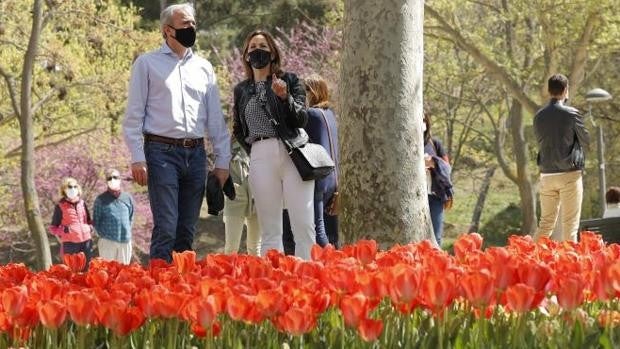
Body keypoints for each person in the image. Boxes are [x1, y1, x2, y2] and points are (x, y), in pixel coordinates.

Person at [122, 3, 231, 263]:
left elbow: (215, 119)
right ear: (167, 30)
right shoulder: (147, 64)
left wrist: (222, 161)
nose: (191, 28)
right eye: (185, 24)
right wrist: (138, 156)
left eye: (193, 23)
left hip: (195, 154)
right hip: (160, 153)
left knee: (186, 230)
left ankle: (181, 293)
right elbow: (133, 116)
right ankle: (158, 290)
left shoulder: (205, 68)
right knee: (167, 226)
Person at [231, 29, 315, 260]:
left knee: (303, 225)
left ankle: (309, 281)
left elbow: (301, 119)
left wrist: (284, 97)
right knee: (270, 230)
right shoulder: (241, 90)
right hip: (259, 156)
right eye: (253, 48)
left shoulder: (290, 80)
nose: (258, 51)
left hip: (292, 153)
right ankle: (272, 283)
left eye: (264, 47)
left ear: (273, 53)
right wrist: (256, 151)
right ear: (247, 55)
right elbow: (238, 129)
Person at [282, 74, 340, 253]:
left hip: (318, 177)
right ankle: (333, 257)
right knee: (329, 230)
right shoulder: (329, 114)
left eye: (303, 90)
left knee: (317, 228)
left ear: (312, 92)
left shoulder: (311, 115)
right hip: (332, 177)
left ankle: (331, 262)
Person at [533, 73, 589, 242]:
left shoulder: (538, 116)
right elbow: (586, 140)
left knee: (546, 224)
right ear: (565, 90)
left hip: (546, 175)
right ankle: (570, 266)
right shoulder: (572, 114)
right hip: (569, 174)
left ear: (549, 91)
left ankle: (527, 258)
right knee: (570, 226)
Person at [223, 141, 261, 255]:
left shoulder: (260, 143)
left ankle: (255, 272)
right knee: (231, 248)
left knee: (255, 247)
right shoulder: (227, 142)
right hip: (235, 195)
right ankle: (228, 272)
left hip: (258, 194)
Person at [49, 177, 94, 269]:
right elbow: (53, 228)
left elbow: (89, 221)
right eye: (69, 187)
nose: (73, 189)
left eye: (75, 186)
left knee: (87, 270)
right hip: (70, 244)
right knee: (73, 271)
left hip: (86, 242)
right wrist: (65, 230)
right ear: (64, 190)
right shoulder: (60, 206)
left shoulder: (82, 203)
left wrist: (90, 228)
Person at [423, 111, 453, 248]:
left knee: (436, 236)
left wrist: (433, 162)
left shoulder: (434, 144)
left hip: (434, 196)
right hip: (413, 196)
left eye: (424, 120)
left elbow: (447, 167)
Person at [93, 169, 134, 264]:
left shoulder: (127, 198)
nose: (112, 180)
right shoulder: (100, 199)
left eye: (115, 177)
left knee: (124, 273)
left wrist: (127, 232)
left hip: (125, 241)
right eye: (109, 178)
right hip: (108, 242)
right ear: (106, 181)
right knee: (108, 272)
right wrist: (104, 235)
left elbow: (131, 217)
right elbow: (96, 221)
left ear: (120, 179)